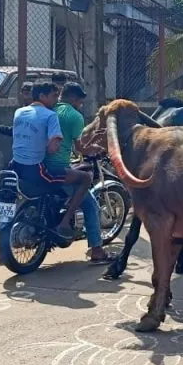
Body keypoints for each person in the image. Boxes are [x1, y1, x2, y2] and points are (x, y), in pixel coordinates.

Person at [10, 82, 90, 240]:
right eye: (53, 96)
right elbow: (54, 148)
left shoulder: (19, 112)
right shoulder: (50, 115)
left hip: (15, 166)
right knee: (86, 178)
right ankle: (65, 222)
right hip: (38, 171)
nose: (56, 99)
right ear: (42, 96)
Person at [46, 82, 115, 263]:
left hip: (39, 167)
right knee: (90, 203)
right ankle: (97, 250)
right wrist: (98, 148)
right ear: (74, 99)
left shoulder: (49, 109)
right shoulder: (75, 116)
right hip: (58, 169)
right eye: (80, 101)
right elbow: (80, 148)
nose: (81, 105)